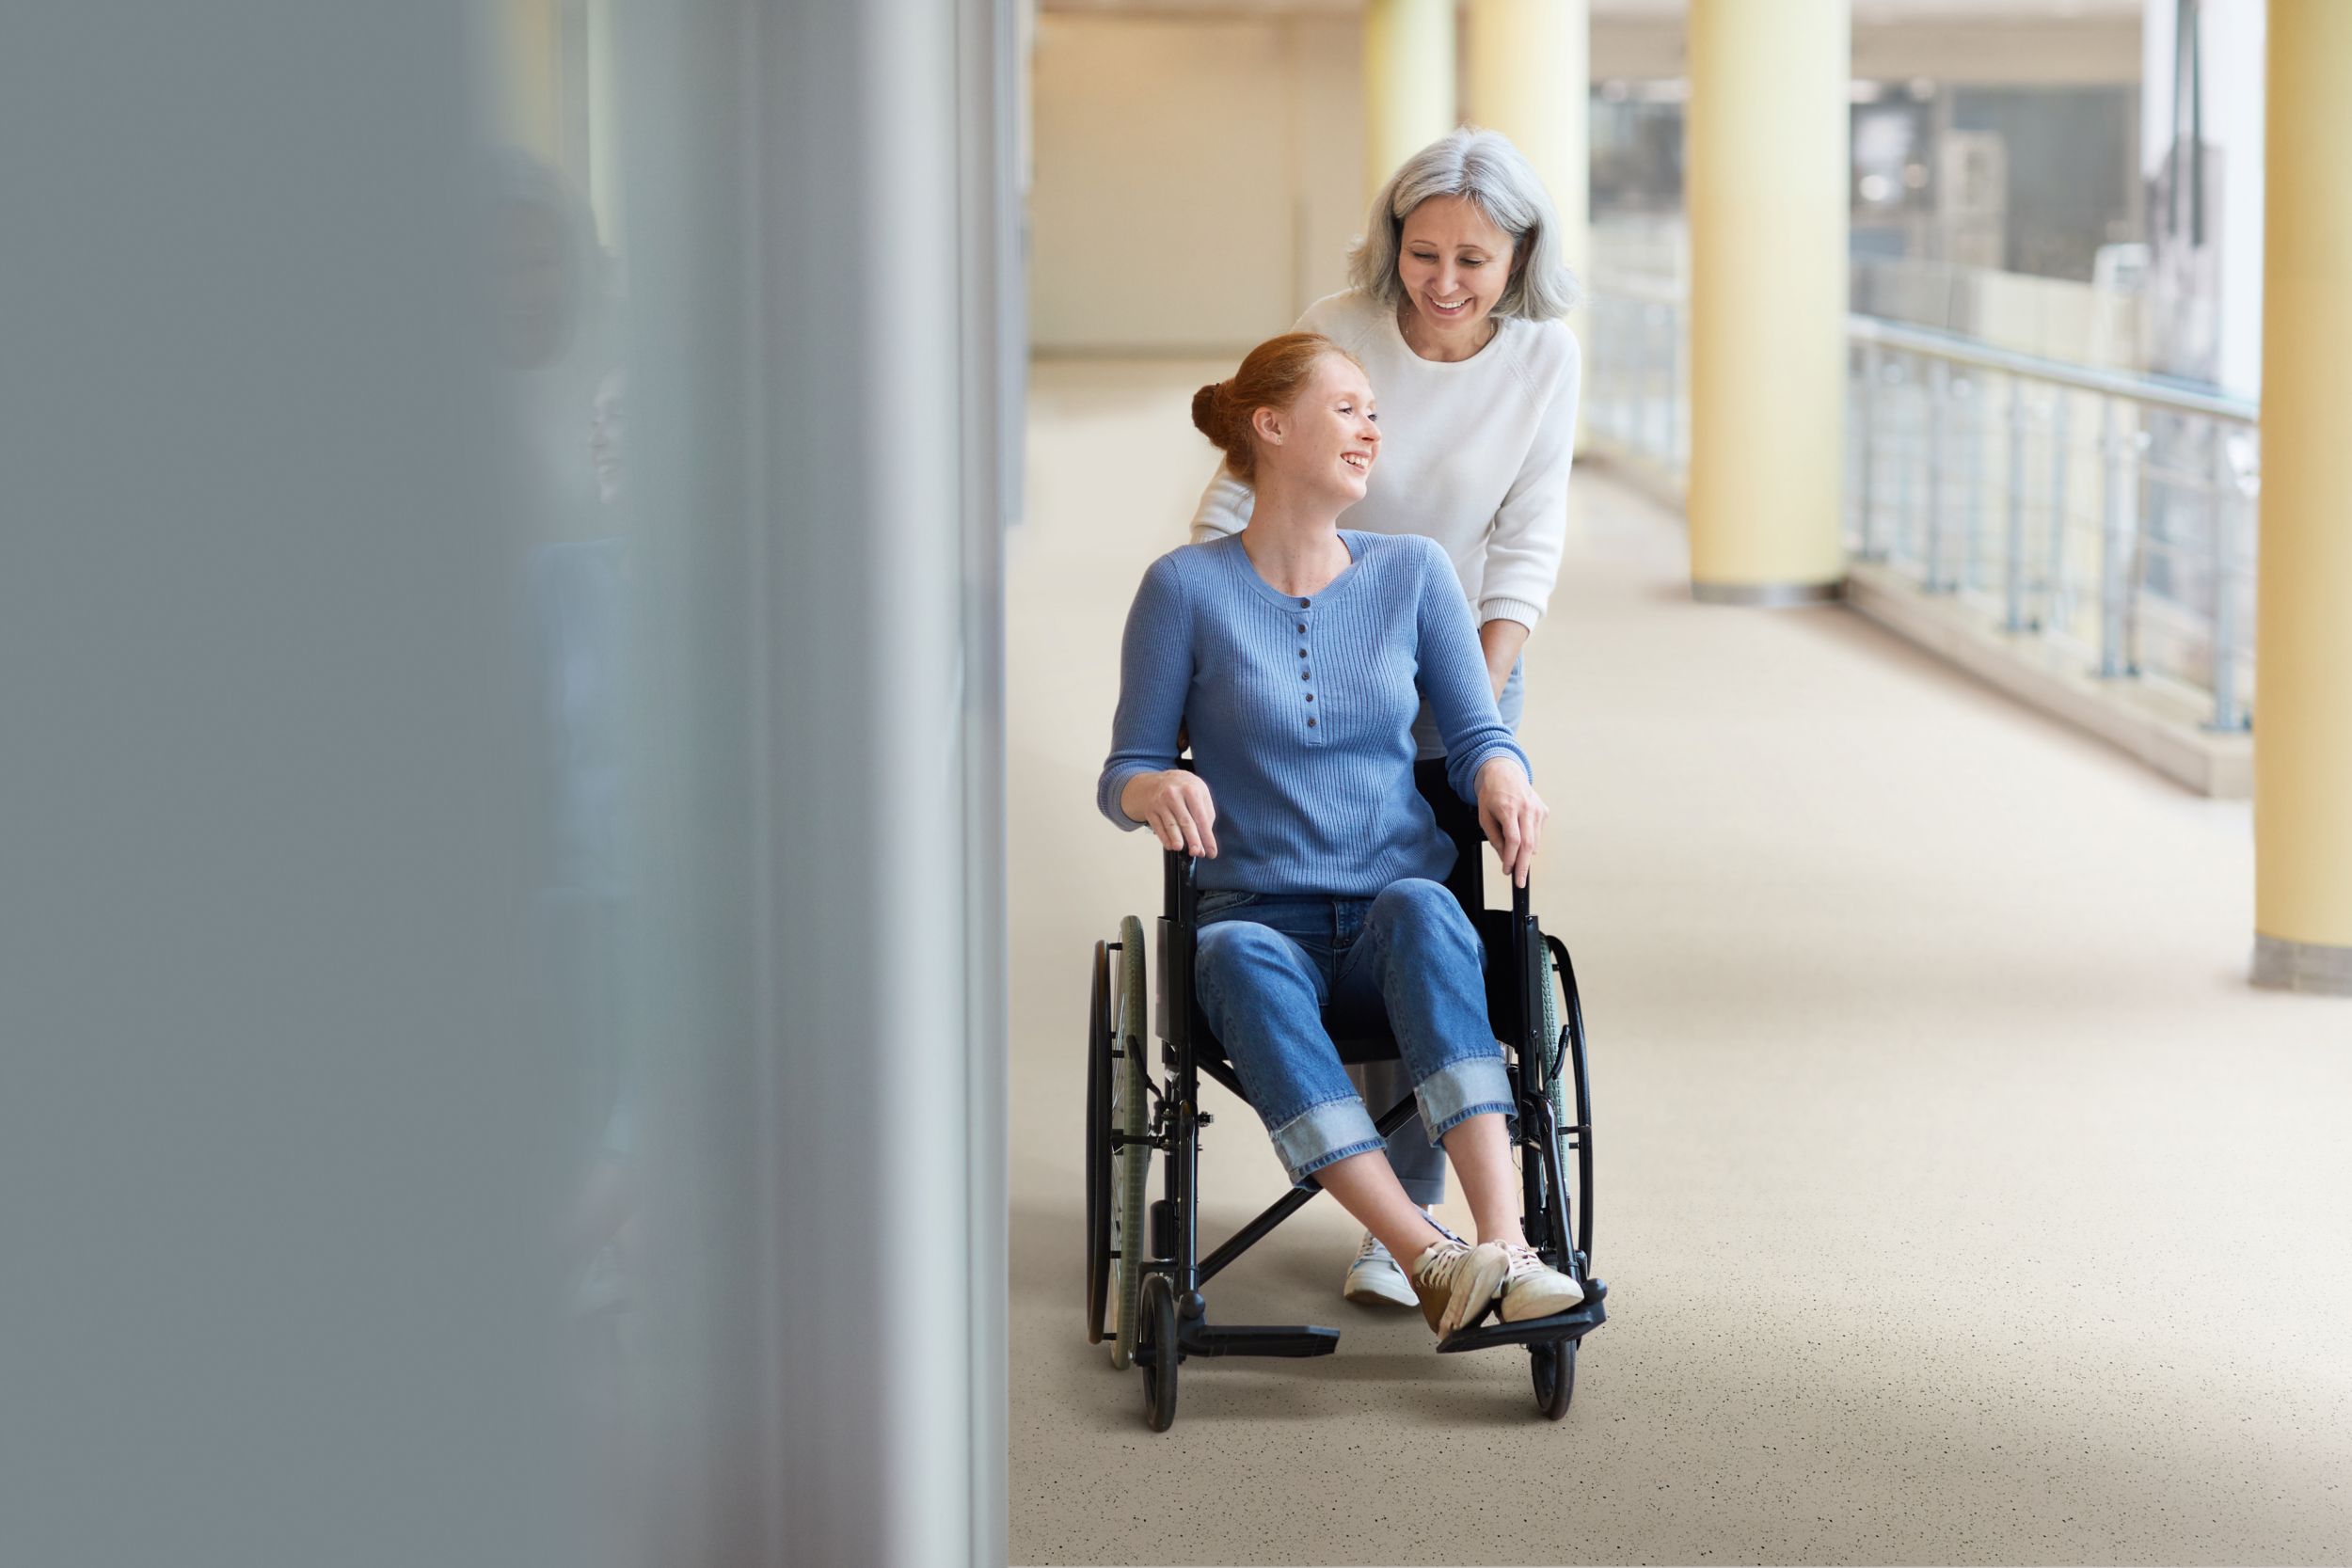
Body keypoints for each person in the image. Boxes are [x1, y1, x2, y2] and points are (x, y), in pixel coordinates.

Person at [1100, 332, 1582, 1338]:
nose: (1373, 429)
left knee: (1422, 902)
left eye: (1375, 410)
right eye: (1350, 407)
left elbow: (1475, 732)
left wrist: (1500, 767)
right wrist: (1149, 788)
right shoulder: (1183, 588)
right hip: (1254, 921)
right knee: (1230, 949)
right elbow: (1125, 767)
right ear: (1271, 427)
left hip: (1386, 924)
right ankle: (1428, 1256)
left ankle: (1508, 1245)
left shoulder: (1413, 573)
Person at [1188, 127, 1581, 1309]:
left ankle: (1404, 1234)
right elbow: (1248, 470)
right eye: (1423, 253)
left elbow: (1528, 529)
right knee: (1314, 888)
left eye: (1474, 258)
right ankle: (1408, 1221)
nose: (1446, 282)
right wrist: (1219, 611)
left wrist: (1476, 701)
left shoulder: (1543, 357)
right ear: (1390, 244)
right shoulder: (1341, 323)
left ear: (1518, 257)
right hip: (1304, 624)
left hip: (1453, 636)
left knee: (1423, 916)